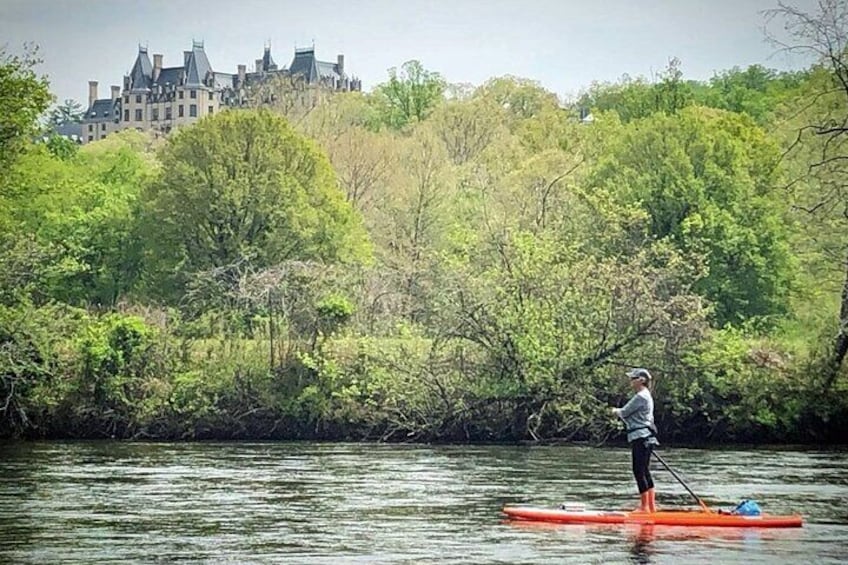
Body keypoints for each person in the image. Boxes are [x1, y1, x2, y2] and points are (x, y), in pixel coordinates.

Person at [612, 368, 658, 513]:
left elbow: (624, 412)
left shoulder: (641, 397)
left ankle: (644, 508)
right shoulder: (646, 395)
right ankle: (651, 507)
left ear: (641, 380)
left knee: (638, 471)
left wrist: (614, 411)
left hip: (641, 437)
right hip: (646, 437)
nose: (631, 381)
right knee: (644, 470)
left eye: (633, 378)